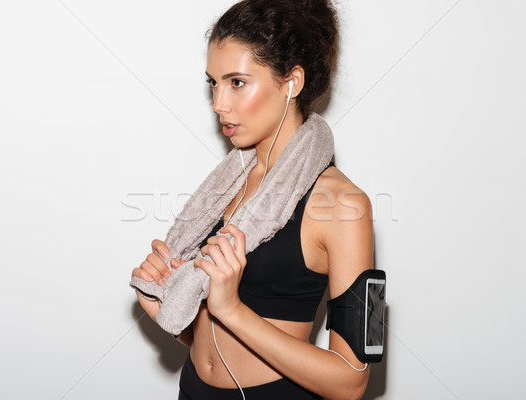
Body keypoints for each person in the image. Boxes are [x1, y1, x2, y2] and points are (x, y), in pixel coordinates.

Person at [131, 1, 374, 399]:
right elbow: (213, 345)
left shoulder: (343, 205)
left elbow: (351, 381)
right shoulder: (226, 185)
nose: (218, 104)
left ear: (292, 82)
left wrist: (232, 310)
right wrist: (172, 313)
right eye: (213, 82)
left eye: (237, 82)